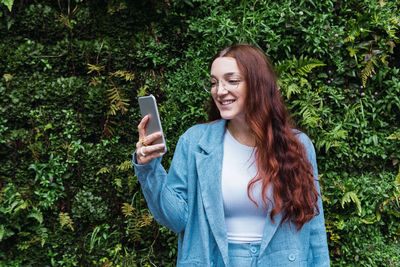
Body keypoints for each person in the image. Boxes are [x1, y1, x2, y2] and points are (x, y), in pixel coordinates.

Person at [133, 43, 330, 266]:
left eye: (232, 80)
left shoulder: (298, 146)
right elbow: (176, 219)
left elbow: (314, 227)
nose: (220, 90)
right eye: (214, 82)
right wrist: (149, 169)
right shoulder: (195, 142)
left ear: (258, 85)